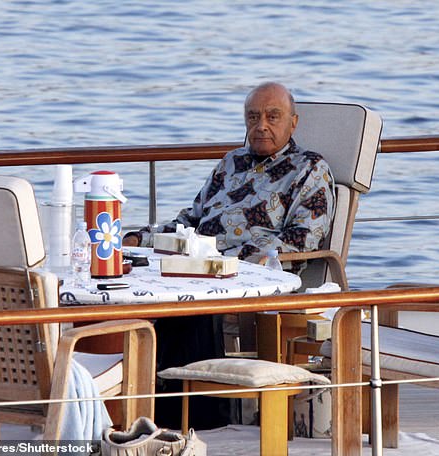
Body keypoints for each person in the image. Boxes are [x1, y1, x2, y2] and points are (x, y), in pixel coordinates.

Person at [123, 82, 334, 429]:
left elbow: (302, 242)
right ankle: (139, 405)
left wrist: (224, 259)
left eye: (273, 116)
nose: (261, 125)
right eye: (253, 116)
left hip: (252, 274)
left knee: (190, 303)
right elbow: (189, 222)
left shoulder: (309, 169)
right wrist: (141, 237)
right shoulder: (231, 161)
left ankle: (197, 419)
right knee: (133, 287)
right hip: (196, 262)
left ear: (293, 123)